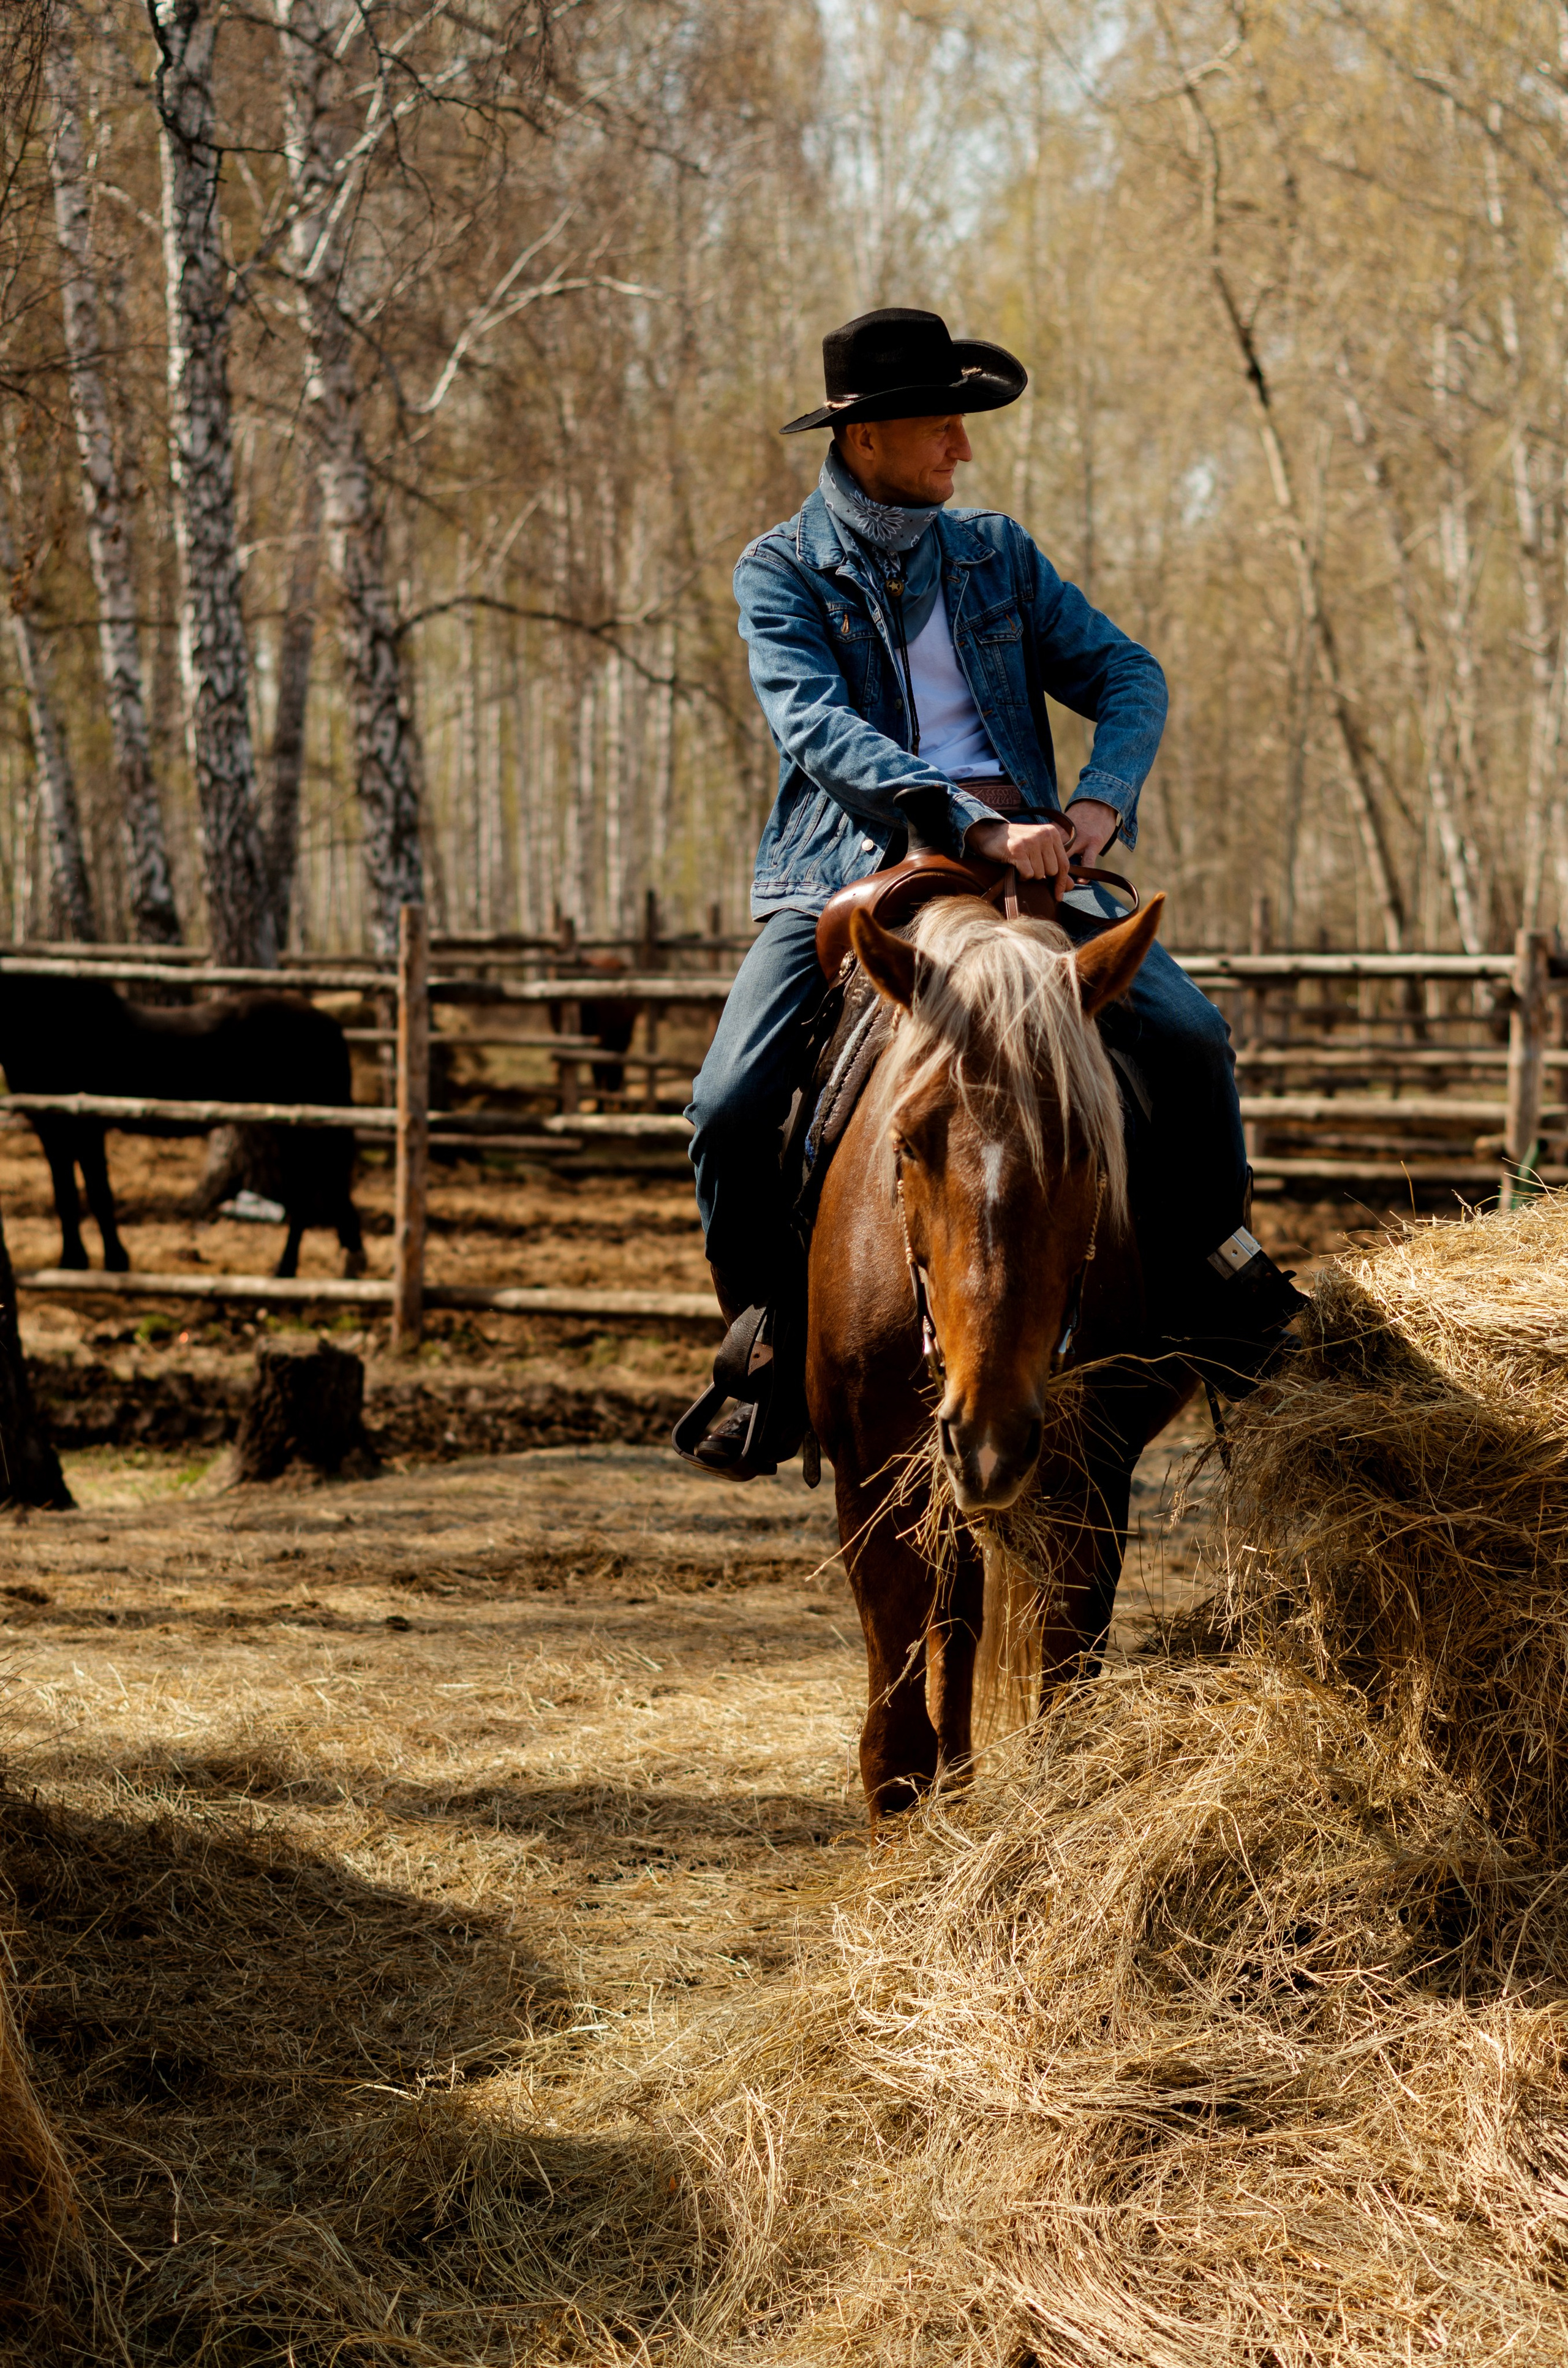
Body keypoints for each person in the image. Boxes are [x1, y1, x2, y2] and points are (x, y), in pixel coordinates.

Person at [680, 307, 1302, 1478]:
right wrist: (967, 817)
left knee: (1189, 1034)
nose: (962, 450)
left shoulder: (998, 555)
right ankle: (768, 1338)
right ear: (865, 439)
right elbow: (817, 725)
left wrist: (1098, 804)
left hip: (1033, 864)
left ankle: (1222, 1277)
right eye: (940, 426)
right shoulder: (780, 570)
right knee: (725, 1101)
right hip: (848, 869)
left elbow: (1128, 671)